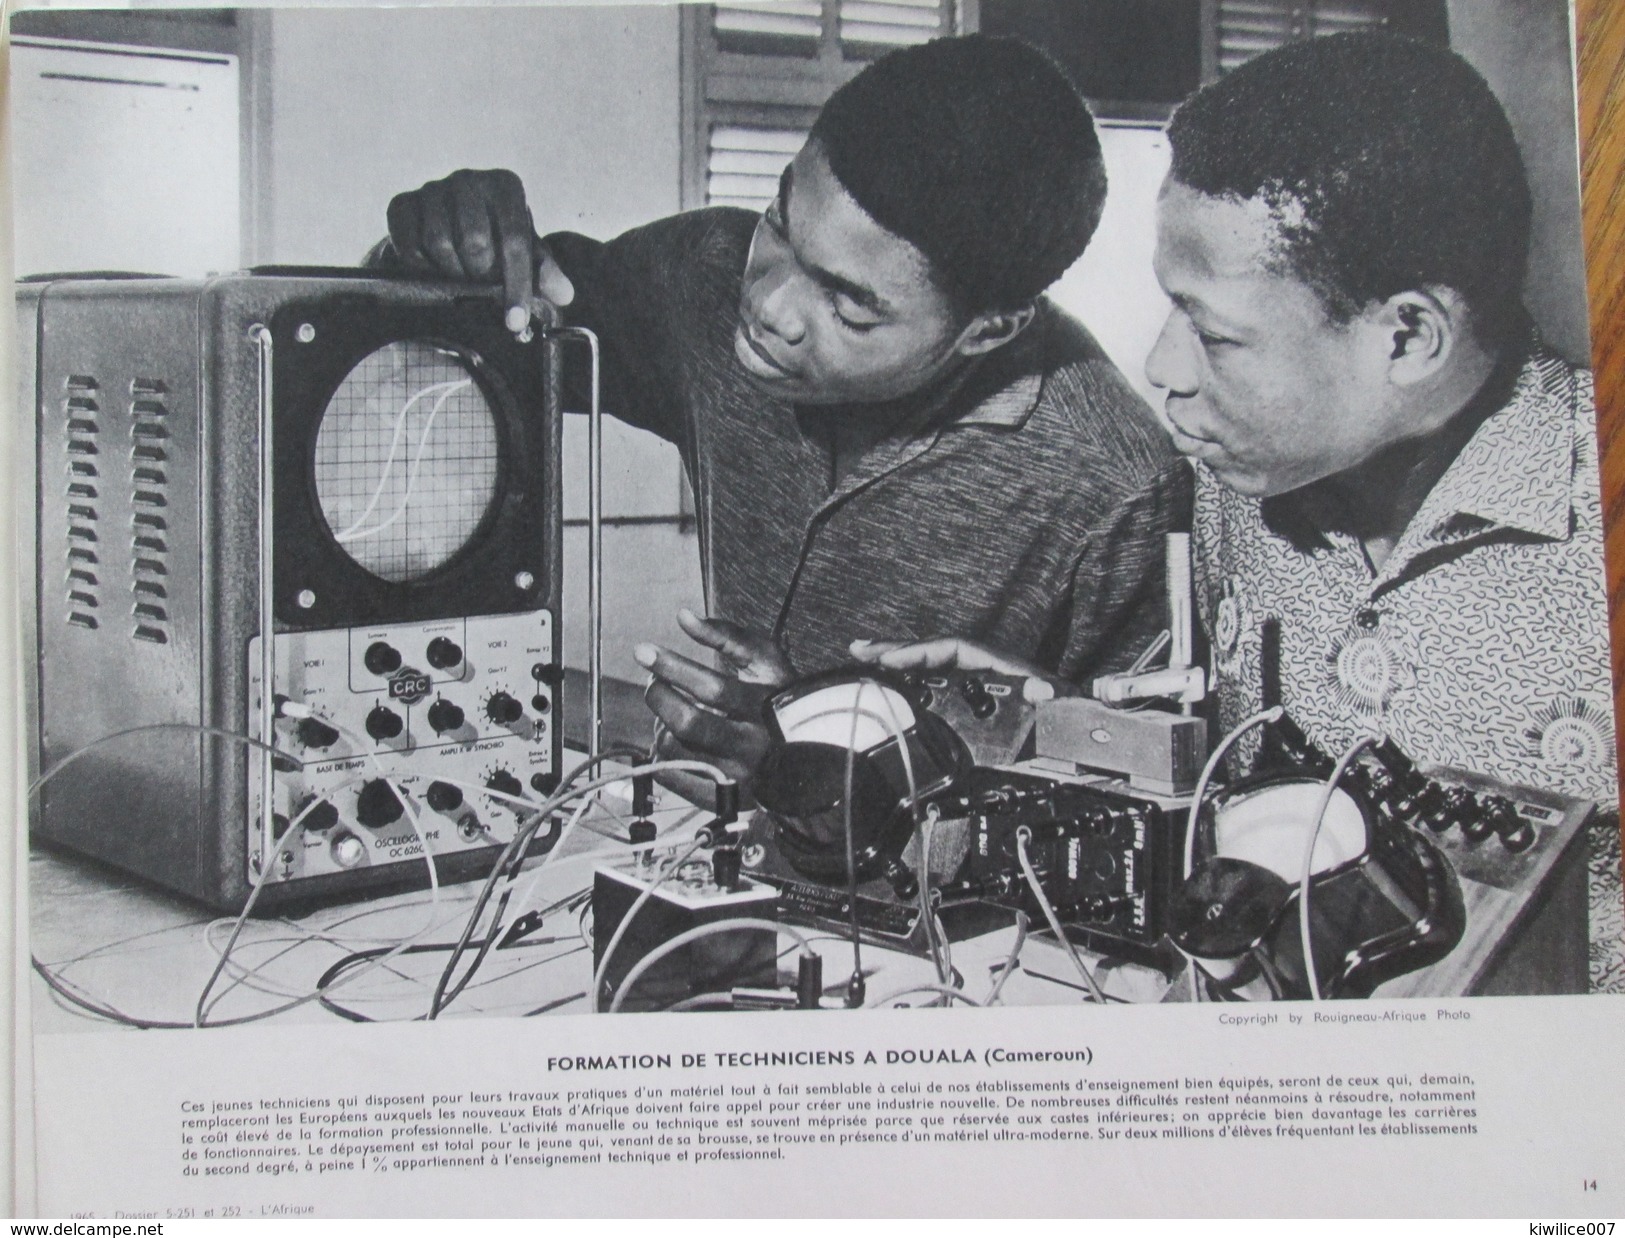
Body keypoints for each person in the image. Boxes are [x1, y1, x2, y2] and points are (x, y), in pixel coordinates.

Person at [861, 31, 1620, 990]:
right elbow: (1224, 779)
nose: (1162, 371)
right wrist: (1058, 728)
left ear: (1408, 336)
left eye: (1215, 334)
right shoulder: (1237, 485)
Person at [373, 35, 1186, 796]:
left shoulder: (1115, 486)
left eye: (849, 306)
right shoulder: (702, 277)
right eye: (779, 224)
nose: (769, 306)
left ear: (990, 329)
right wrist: (431, 252)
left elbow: (1138, 806)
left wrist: (822, 762)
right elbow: (454, 340)